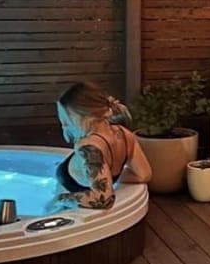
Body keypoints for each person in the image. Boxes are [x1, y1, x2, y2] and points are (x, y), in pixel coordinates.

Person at [50, 81, 152, 210]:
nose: (65, 127)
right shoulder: (124, 134)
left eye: (66, 121)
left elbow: (103, 198)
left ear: (82, 117)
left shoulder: (88, 147)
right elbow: (144, 174)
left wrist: (61, 199)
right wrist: (112, 179)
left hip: (69, 210)